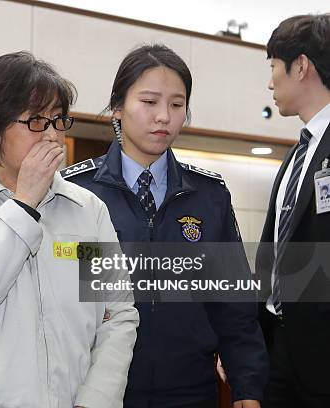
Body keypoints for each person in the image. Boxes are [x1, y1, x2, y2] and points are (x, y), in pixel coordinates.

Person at [0, 51, 139, 408]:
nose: (52, 134)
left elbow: (117, 313)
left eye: (57, 120)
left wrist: (97, 398)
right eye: (36, 121)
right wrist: (24, 202)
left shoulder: (87, 210)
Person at [62, 44, 268, 408]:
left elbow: (234, 305)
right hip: (96, 390)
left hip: (190, 390)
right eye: (149, 102)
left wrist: (247, 387)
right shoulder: (75, 191)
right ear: (117, 107)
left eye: (176, 105)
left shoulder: (209, 196)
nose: (164, 117)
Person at [256, 13, 330, 407]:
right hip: (276, 348)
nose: (270, 82)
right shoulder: (297, 154)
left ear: (300, 65)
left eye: (273, 67)